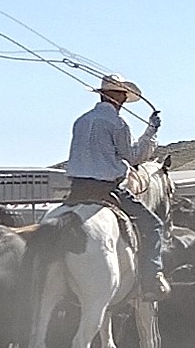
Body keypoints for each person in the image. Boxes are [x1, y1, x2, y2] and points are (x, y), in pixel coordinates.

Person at [65, 73, 169, 298]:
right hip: (106, 189)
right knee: (153, 225)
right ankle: (151, 280)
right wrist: (151, 131)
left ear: (102, 95)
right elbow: (133, 156)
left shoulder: (81, 120)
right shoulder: (118, 123)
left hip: (76, 190)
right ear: (120, 97)